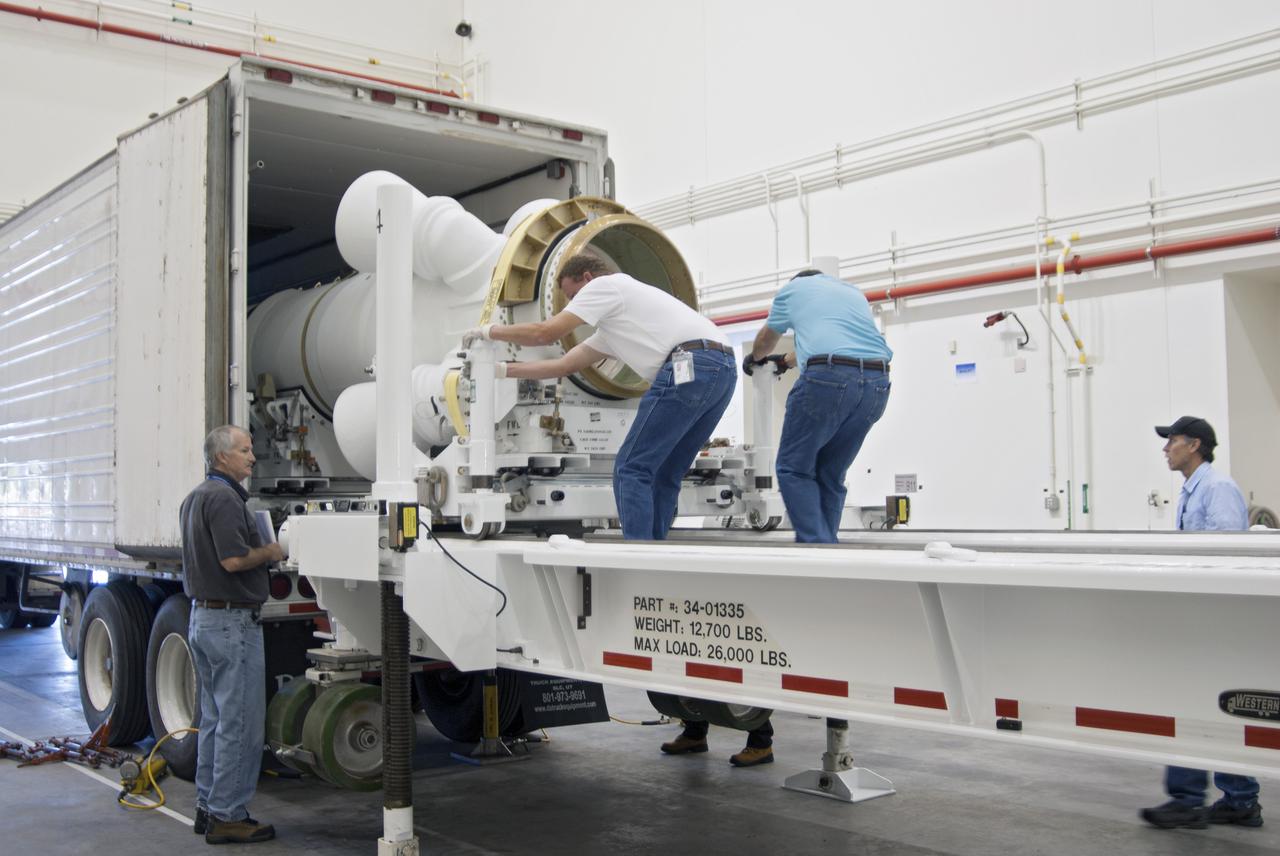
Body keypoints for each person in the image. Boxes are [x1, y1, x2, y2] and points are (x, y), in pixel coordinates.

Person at [662, 269, 895, 769]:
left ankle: (815, 547)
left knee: (791, 466)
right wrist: (784, 360)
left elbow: (768, 336)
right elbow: (823, 348)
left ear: (795, 283)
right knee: (830, 473)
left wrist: (754, 357)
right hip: (875, 382)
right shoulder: (849, 295)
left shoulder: (792, 290)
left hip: (828, 378)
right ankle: (825, 541)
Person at [464, 253, 736, 541]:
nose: (572, 305)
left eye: (573, 294)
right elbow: (563, 366)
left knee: (631, 468)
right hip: (722, 370)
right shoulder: (613, 327)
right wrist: (499, 370)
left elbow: (546, 333)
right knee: (666, 472)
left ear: (587, 278)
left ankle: (638, 555)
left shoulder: (606, 286)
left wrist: (489, 331)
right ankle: (655, 551)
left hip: (691, 365)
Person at [1140, 415, 1262, 831]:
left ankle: (1190, 800)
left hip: (1215, 616)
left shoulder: (1217, 488)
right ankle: (1239, 800)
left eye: (1170, 441)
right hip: (1202, 614)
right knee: (1207, 705)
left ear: (1193, 445)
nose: (1165, 449)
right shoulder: (1194, 491)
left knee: (1188, 699)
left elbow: (1229, 557)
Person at [180, 425, 284, 845]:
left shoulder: (196, 497)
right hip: (231, 625)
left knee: (215, 720)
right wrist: (274, 551)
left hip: (205, 619)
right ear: (222, 457)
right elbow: (233, 561)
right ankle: (228, 815)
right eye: (244, 450)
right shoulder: (224, 499)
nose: (252, 457)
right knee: (239, 724)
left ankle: (208, 807)